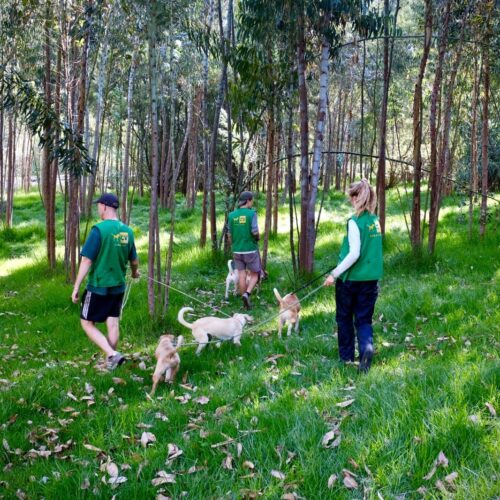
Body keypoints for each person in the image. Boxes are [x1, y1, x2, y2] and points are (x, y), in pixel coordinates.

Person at [71, 193, 139, 370]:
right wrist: (134, 273)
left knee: (86, 323)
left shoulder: (98, 230)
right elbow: (134, 261)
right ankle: (111, 363)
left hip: (98, 286)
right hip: (118, 286)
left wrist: (76, 286)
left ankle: (112, 354)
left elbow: (87, 260)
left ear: (105, 206)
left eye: (98, 206)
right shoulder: (127, 231)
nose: (97, 209)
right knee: (113, 322)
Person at [324, 179, 383, 373]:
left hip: (350, 281)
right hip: (371, 280)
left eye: (352, 196)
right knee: (364, 320)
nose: (350, 200)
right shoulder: (375, 221)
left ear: (358, 197)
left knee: (344, 318)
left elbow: (355, 253)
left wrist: (334, 274)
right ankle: (366, 349)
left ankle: (347, 357)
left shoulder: (354, 222)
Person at [227, 191, 261, 309]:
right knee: (255, 274)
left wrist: (233, 245)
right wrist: (257, 238)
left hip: (237, 250)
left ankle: (245, 305)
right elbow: (254, 231)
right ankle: (247, 294)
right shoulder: (252, 214)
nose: (252, 203)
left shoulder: (231, 215)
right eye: (252, 201)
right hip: (250, 249)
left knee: (241, 274)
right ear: (248, 201)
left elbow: (229, 234)